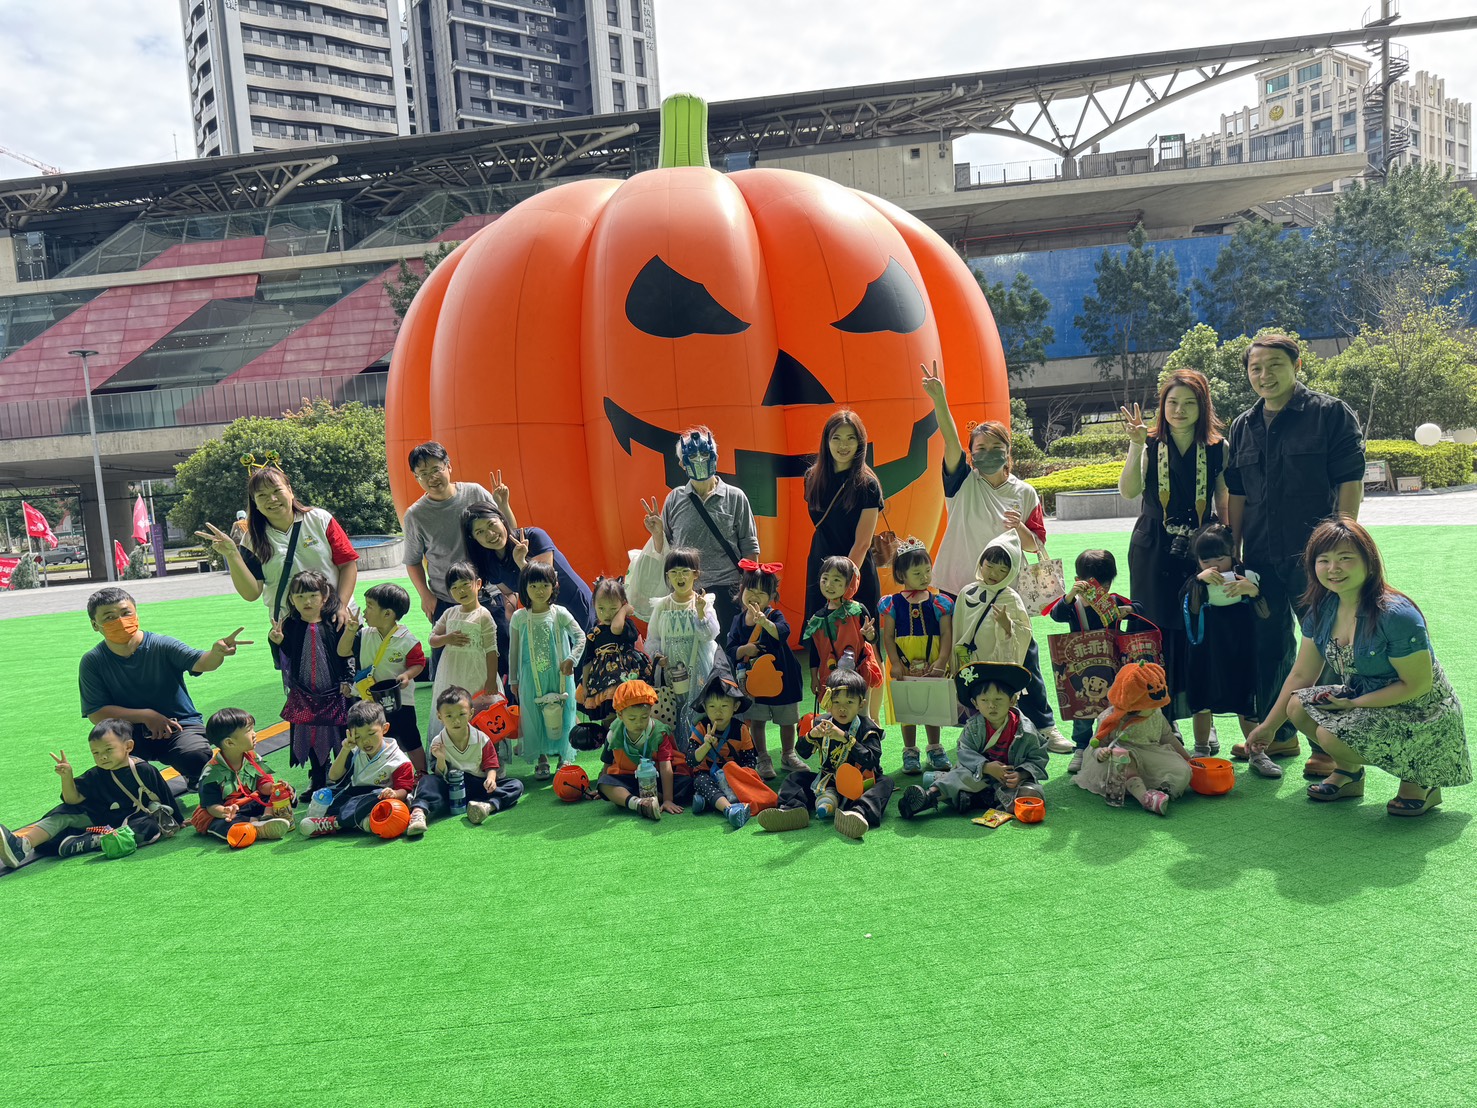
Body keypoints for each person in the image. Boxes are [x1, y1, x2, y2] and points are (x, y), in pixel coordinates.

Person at [1245, 517, 1470, 817]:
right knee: (1298, 705)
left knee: (1331, 735)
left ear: (1369, 562)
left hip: (1421, 712)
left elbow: (1417, 685)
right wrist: (1269, 727)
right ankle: (1348, 773)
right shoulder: (1322, 609)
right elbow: (1301, 675)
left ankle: (1422, 780)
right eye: (1323, 560)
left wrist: (1353, 703)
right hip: (1364, 699)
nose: (1333, 568)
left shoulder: (1397, 615)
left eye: (1345, 558)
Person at [1223, 335, 1365, 778]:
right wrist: (1233, 549)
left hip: (1316, 558)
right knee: (1268, 645)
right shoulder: (1243, 425)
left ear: (1297, 365)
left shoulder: (1329, 414)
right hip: (1260, 556)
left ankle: (1324, 745)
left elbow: (1349, 480)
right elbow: (1238, 494)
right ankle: (1280, 735)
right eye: (1256, 368)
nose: (1264, 375)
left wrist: (1343, 541)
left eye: (1274, 365)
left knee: (1324, 646)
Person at [917, 362, 1068, 752]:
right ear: (970, 454)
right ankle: (967, 730)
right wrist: (939, 399)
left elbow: (1035, 545)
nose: (985, 454)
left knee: (1022, 656)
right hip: (958, 588)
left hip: (1007, 592)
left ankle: (1044, 726)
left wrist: (1020, 528)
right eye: (979, 449)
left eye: (993, 448)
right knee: (962, 658)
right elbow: (950, 440)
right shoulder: (962, 483)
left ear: (1007, 452)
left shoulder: (1025, 492)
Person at [1117, 370, 1229, 731]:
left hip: (1201, 545)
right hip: (1153, 546)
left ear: (1203, 406)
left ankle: (1200, 711)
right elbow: (1128, 491)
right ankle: (1162, 714)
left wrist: (1229, 549)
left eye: (1189, 403)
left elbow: (1223, 497)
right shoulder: (1148, 442)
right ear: (1162, 406)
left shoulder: (1217, 447)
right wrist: (1136, 445)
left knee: (1197, 625)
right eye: (1172, 402)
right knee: (1153, 627)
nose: (1179, 410)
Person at [78, 587, 248, 787]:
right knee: (118, 771)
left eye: (126, 613)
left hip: (179, 725)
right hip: (128, 733)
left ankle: (193, 775)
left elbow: (201, 662)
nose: (121, 621)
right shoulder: (93, 662)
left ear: (136, 613)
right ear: (94, 625)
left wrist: (217, 653)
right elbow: (96, 713)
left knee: (197, 757)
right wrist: (147, 716)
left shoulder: (161, 645)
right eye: (109, 617)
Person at [196, 458, 359, 630]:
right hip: (290, 627)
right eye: (262, 495)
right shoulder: (252, 539)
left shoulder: (319, 519)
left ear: (290, 491)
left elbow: (348, 564)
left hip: (337, 618)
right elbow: (251, 593)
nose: (272, 499)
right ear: (255, 502)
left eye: (277, 490)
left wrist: (341, 605)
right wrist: (232, 554)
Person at [0, 720, 187, 868]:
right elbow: (72, 800)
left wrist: (178, 820)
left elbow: (164, 794)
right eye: (95, 753)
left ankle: (94, 841)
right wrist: (67, 777)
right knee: (60, 816)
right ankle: (22, 845)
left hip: (133, 819)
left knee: (149, 827)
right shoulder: (96, 774)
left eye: (108, 750)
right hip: (99, 817)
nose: (102, 757)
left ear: (128, 746)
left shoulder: (143, 769)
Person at [401, 442, 518, 672]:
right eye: (423, 474)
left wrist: (503, 504)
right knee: (449, 669)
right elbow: (412, 561)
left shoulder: (475, 492)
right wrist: (426, 596)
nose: (432, 478)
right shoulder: (416, 515)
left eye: (436, 469)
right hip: (446, 600)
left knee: (502, 663)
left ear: (449, 466)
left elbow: (507, 531)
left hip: (488, 594)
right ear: (416, 478)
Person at [754, 669, 894, 841]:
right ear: (828, 701)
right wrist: (811, 736)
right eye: (836, 702)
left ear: (861, 704)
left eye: (849, 702)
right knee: (795, 778)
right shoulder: (822, 723)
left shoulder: (868, 729)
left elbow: (871, 760)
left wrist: (846, 739)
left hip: (859, 785)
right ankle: (792, 810)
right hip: (826, 782)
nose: (842, 708)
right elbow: (803, 753)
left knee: (885, 782)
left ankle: (858, 814)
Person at [649, 426, 760, 640]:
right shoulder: (674, 499)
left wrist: (750, 592)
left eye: (705, 455)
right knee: (688, 651)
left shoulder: (735, 497)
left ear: (715, 457)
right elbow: (666, 553)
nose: (700, 460)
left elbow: (750, 548)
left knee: (730, 652)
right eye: (692, 457)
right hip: (686, 592)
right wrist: (656, 534)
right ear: (682, 463)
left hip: (728, 590)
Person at [1179, 525, 1273, 775]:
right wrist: (1199, 581)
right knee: (1202, 701)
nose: (1215, 566)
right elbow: (1192, 610)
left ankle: (1257, 753)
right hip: (1206, 652)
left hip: (1241, 650)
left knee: (1246, 701)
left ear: (1232, 554)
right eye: (1206, 560)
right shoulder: (1195, 582)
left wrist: (1253, 592)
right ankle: (1201, 750)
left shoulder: (1245, 577)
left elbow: (1265, 614)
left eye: (1220, 558)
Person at [897, 662, 1046, 819]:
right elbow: (964, 751)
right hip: (979, 774)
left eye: (998, 699)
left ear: (1012, 700)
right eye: (984, 700)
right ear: (975, 703)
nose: (992, 705)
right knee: (958, 777)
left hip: (1010, 780)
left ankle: (975, 799)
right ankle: (928, 797)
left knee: (1033, 793)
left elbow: (1038, 758)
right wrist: (986, 767)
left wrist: (1020, 774)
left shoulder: (1026, 730)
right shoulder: (974, 726)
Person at [1046, 549, 1140, 774]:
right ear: (1080, 581)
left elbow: (1140, 609)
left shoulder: (1114, 601)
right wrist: (1070, 595)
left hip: (1112, 667)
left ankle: (1113, 744)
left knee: (1115, 706)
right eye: (1094, 585)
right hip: (1082, 670)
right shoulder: (1074, 606)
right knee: (1083, 709)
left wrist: (1128, 610)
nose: (1101, 591)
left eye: (1105, 585)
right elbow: (1056, 614)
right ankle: (1081, 747)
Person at [268, 570, 352, 794]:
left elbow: (347, 654)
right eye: (300, 596)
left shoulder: (335, 621)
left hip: (335, 692)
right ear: (292, 599)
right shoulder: (289, 625)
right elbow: (286, 658)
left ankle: (344, 776)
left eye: (313, 595)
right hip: (304, 693)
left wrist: (347, 679)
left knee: (341, 734)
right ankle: (318, 777)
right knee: (311, 734)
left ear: (325, 596)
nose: (307, 601)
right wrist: (277, 642)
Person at [1075, 663, 1194, 816]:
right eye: (1151, 706)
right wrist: (1100, 753)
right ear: (1134, 706)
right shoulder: (1111, 719)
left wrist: (1188, 760)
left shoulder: (1155, 714)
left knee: (1182, 770)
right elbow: (1097, 744)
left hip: (1149, 754)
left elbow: (1168, 737)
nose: (1155, 708)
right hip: (1117, 760)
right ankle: (1145, 797)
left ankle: (1157, 789)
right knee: (1125, 760)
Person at [878, 538, 954, 776]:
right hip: (903, 661)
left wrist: (942, 660)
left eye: (927, 571)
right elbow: (888, 636)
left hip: (932, 658)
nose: (924, 577)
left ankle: (935, 748)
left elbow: (946, 633)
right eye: (917, 572)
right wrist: (895, 662)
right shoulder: (892, 603)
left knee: (932, 702)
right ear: (902, 574)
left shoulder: (939, 602)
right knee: (907, 704)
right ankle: (910, 750)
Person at [336, 582, 428, 776]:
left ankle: (422, 774)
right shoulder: (363, 635)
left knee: (410, 738)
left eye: (370, 606)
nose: (365, 612)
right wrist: (350, 630)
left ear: (387, 614)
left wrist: (407, 675)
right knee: (376, 738)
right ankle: (380, 775)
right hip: (368, 701)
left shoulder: (407, 639)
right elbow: (342, 651)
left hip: (401, 701)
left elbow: (418, 663)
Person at [407, 686, 525, 835]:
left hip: (478, 785)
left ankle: (486, 807)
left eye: (461, 714)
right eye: (449, 716)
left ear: (471, 713)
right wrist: (441, 758)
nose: (456, 720)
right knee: (427, 781)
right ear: (439, 716)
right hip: (450, 786)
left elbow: (491, 763)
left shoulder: (482, 738)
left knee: (516, 785)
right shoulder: (438, 742)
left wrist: (491, 779)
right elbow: (438, 774)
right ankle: (418, 813)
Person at [726, 558, 805, 777]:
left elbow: (783, 632)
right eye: (750, 589)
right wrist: (745, 649)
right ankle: (762, 757)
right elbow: (730, 649)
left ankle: (788, 754)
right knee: (757, 720)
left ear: (771, 597)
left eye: (761, 593)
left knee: (787, 720)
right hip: (754, 683)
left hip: (783, 678)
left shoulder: (774, 615)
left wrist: (764, 622)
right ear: (741, 590)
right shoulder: (738, 620)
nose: (755, 596)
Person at [463, 502, 593, 633]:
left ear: (501, 519)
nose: (490, 534)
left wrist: (521, 562)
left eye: (491, 524)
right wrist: (510, 612)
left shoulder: (534, 536)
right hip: (545, 618)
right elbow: (509, 593)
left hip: (575, 606)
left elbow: (544, 582)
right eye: (480, 532)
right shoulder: (489, 563)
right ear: (473, 538)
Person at [802, 410, 883, 620]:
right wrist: (829, 580)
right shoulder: (812, 478)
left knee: (857, 635)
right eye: (836, 438)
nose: (843, 445)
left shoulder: (868, 485)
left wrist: (844, 583)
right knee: (819, 632)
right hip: (821, 567)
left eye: (850, 438)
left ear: (860, 443)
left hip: (855, 570)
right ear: (826, 441)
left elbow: (863, 543)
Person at [508, 561, 583, 779]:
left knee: (565, 713)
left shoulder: (560, 614)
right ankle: (541, 758)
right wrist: (514, 680)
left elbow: (580, 637)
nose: (539, 591)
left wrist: (571, 659)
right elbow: (513, 651)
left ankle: (564, 756)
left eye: (544, 585)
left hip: (560, 676)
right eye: (533, 586)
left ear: (554, 586)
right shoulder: (519, 617)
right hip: (531, 678)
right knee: (534, 716)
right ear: (525, 588)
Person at [297, 700, 416, 837]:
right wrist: (345, 749)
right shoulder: (355, 750)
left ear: (385, 728)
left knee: (377, 797)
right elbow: (333, 776)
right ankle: (360, 822)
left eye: (371, 734)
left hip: (378, 798)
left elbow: (404, 791)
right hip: (355, 795)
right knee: (324, 794)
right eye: (358, 736)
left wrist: (394, 794)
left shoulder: (399, 760)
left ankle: (335, 823)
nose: (365, 741)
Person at [646, 547, 720, 744]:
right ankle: (679, 753)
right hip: (671, 668)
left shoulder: (704, 602)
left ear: (695, 574)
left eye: (685, 571)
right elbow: (652, 638)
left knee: (700, 707)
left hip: (700, 666)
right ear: (668, 575)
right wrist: (657, 655)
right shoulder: (662, 605)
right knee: (674, 708)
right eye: (674, 572)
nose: (680, 577)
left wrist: (701, 612)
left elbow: (710, 635)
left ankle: (701, 751)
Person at [193, 709, 294, 844]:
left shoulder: (252, 757)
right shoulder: (211, 772)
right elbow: (211, 805)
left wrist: (274, 788)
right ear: (229, 743)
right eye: (249, 731)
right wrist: (225, 811)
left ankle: (266, 816)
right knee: (223, 824)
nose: (254, 734)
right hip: (229, 810)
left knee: (283, 791)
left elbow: (263, 785)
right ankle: (256, 826)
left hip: (252, 801)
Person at [429, 563, 501, 730]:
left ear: (478, 584)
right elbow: (432, 639)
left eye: (465, 585)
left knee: (479, 711)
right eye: (454, 587)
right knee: (454, 708)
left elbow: (491, 650)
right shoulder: (450, 613)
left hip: (477, 671)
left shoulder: (483, 615)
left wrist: (491, 680)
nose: (460, 591)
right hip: (451, 671)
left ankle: (483, 743)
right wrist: (447, 638)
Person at [682, 673, 758, 830]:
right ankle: (729, 809)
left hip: (732, 776)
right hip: (707, 775)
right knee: (700, 781)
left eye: (724, 706)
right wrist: (706, 746)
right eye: (712, 707)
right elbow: (690, 760)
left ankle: (707, 801)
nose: (718, 712)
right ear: (705, 708)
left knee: (754, 778)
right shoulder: (701, 728)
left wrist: (738, 774)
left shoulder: (741, 729)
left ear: (735, 707)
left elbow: (750, 761)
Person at [574, 576, 652, 731]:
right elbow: (588, 660)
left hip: (625, 675)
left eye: (613, 608)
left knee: (628, 710)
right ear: (594, 605)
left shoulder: (626, 625)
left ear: (623, 604)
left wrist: (623, 611)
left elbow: (615, 628)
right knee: (608, 716)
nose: (607, 614)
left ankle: (630, 739)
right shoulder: (594, 633)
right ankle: (610, 741)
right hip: (601, 680)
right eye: (601, 608)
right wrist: (585, 685)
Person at [596, 680, 679, 822]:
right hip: (628, 778)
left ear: (650, 711)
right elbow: (607, 762)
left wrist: (668, 800)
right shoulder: (614, 733)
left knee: (686, 783)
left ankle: (635, 797)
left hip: (656, 779)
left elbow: (666, 767)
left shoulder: (659, 733)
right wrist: (602, 790)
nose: (639, 723)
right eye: (632, 718)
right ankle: (638, 803)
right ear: (620, 715)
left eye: (644, 717)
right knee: (604, 782)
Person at [802, 556, 883, 701]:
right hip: (831, 677)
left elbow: (872, 639)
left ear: (850, 583)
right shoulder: (817, 619)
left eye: (836, 580)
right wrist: (814, 677)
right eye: (825, 579)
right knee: (835, 710)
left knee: (861, 710)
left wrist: (870, 635)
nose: (829, 585)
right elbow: (815, 652)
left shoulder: (858, 610)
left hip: (859, 674)